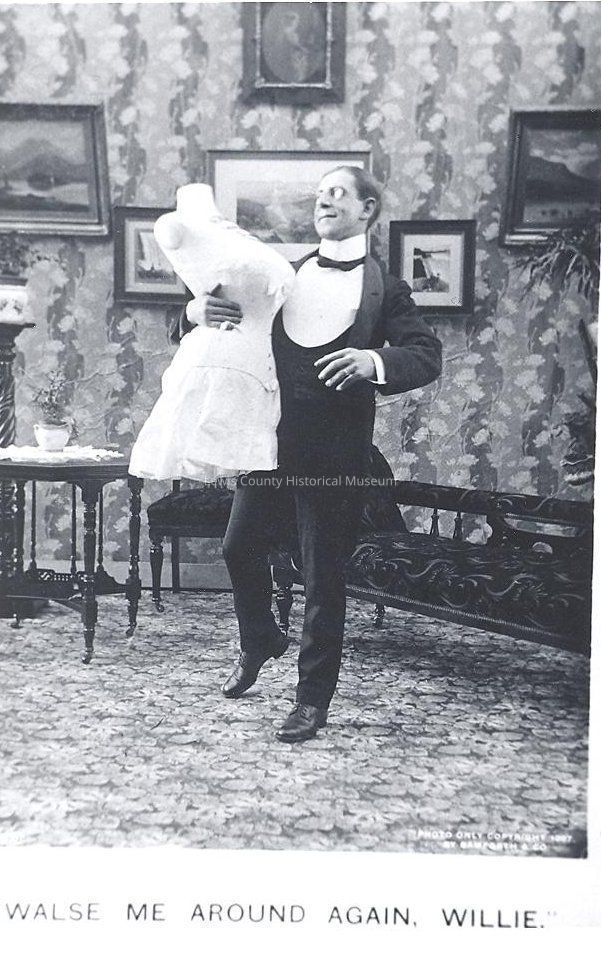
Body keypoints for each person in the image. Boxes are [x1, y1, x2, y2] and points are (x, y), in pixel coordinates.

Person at [174, 166, 442, 743]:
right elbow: (213, 310)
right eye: (320, 194)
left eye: (339, 192)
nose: (325, 200)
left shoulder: (386, 288)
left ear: (368, 209)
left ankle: (311, 700)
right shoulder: (285, 274)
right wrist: (195, 313)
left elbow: (426, 354)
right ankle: (260, 640)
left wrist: (374, 361)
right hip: (272, 443)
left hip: (338, 454)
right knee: (238, 545)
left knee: (323, 576)